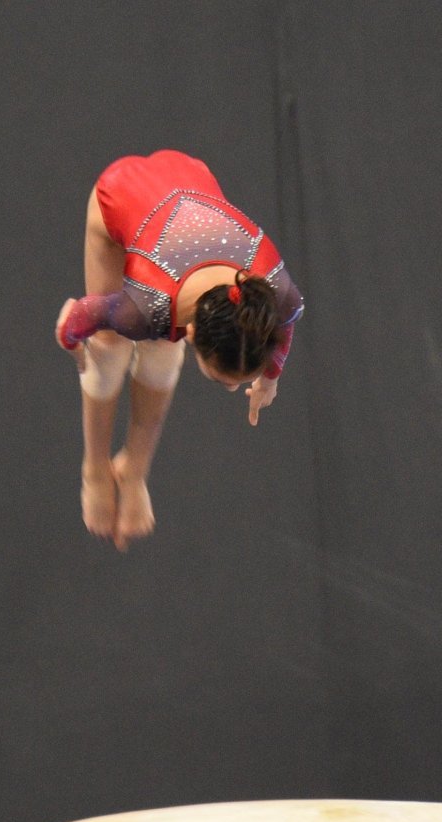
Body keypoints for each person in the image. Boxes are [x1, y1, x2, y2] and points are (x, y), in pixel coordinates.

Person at [54, 149, 304, 551]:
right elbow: (74, 319)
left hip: (191, 175)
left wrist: (270, 379)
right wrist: (74, 346)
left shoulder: (281, 297)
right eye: (223, 380)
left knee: (157, 346)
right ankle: (96, 469)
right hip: (121, 191)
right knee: (111, 350)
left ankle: (134, 470)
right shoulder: (143, 307)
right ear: (190, 335)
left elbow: (285, 330)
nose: (228, 389)